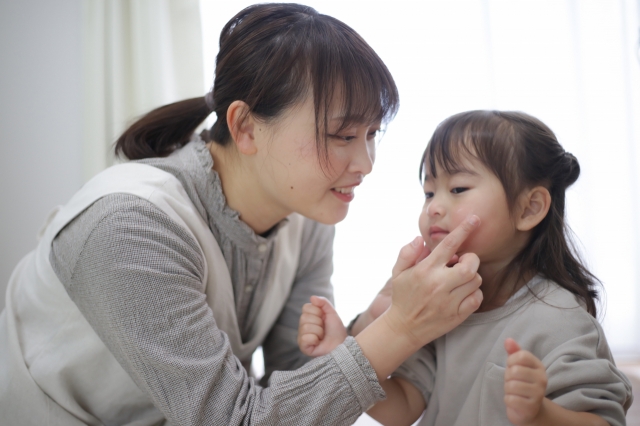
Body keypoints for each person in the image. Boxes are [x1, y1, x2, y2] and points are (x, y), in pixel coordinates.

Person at [0, 4, 486, 425]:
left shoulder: (307, 217)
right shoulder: (129, 226)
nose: (365, 164)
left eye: (372, 134)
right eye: (341, 135)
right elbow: (234, 418)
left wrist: (369, 325)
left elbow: (293, 378)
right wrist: (400, 330)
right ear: (246, 127)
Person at [298, 110, 634, 426]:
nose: (434, 207)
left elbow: (604, 419)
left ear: (529, 208)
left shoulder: (560, 317)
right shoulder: (441, 307)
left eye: (458, 189)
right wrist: (343, 351)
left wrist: (540, 413)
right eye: (429, 192)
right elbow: (403, 407)